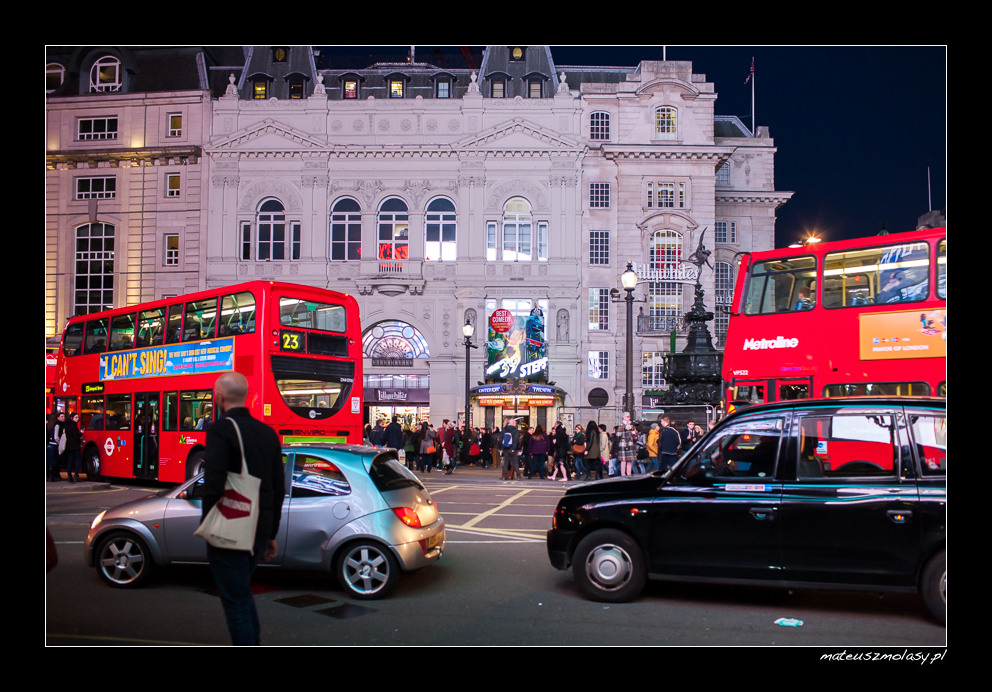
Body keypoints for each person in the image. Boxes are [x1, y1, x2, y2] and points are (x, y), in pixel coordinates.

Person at [201, 371, 284, 646]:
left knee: (235, 601)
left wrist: (210, 523)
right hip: (259, 528)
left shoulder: (221, 430)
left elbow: (213, 482)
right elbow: (277, 487)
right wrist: (271, 533)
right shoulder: (268, 433)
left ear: (220, 396)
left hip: (231, 525)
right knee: (242, 593)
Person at [63, 412, 83, 482]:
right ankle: (76, 475)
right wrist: (80, 433)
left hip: (69, 446)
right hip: (75, 446)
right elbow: (76, 437)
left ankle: (69, 475)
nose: (77, 419)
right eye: (76, 417)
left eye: (78, 417)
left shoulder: (67, 425)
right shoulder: (74, 426)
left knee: (70, 461)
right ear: (72, 418)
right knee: (78, 460)